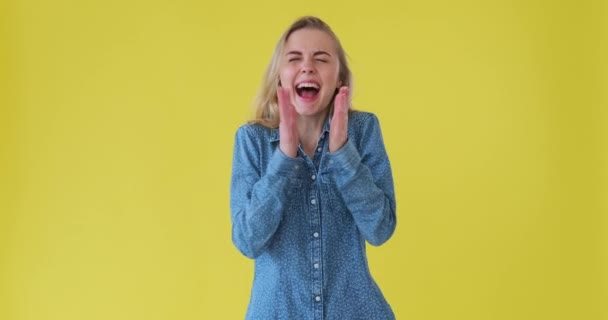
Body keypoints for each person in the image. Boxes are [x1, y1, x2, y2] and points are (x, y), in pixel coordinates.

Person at [230, 16, 397, 320]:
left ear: (339, 79)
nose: (307, 66)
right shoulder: (251, 140)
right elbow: (247, 240)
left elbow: (381, 228)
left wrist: (343, 154)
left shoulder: (364, 131)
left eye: (321, 59)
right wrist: (283, 158)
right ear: (279, 76)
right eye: (294, 58)